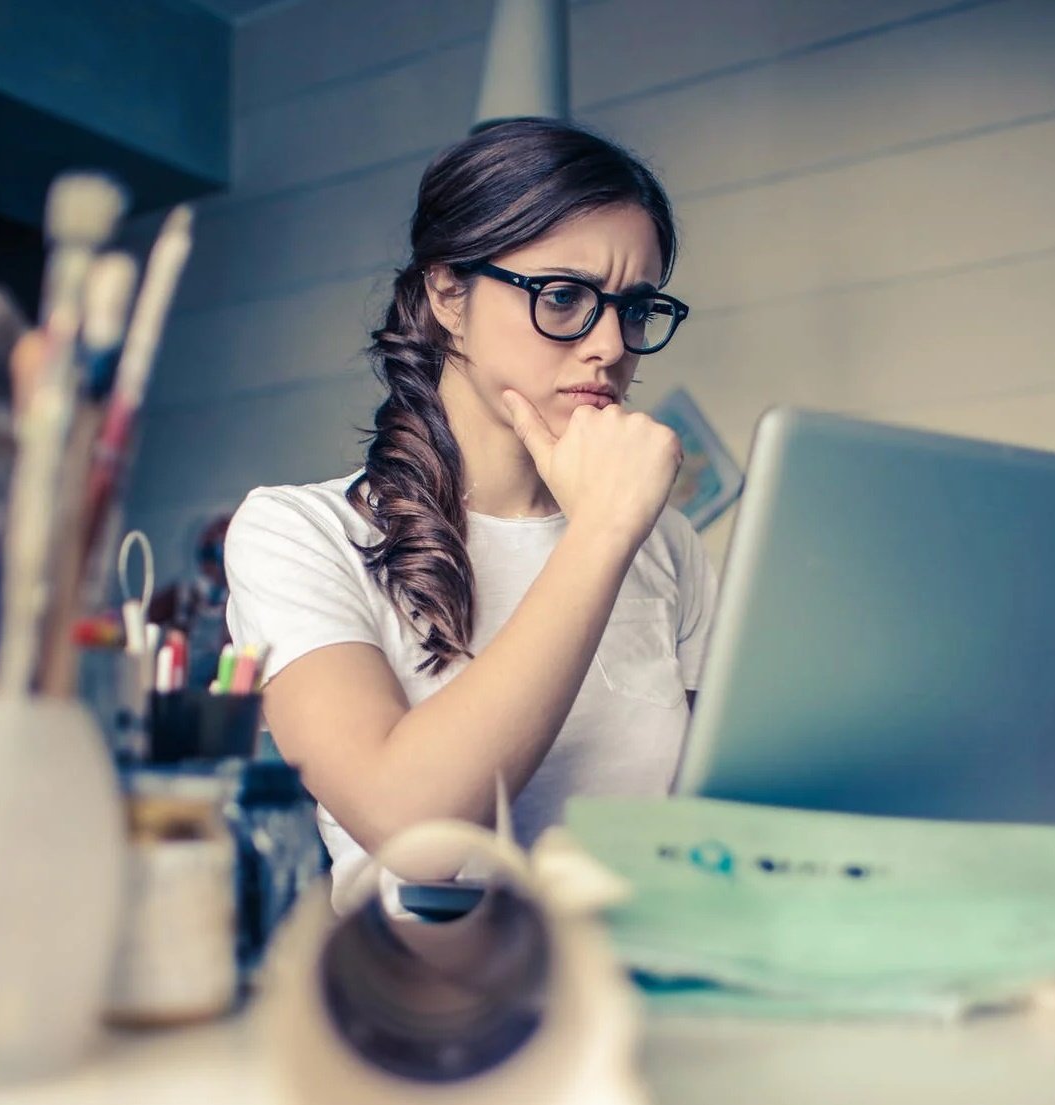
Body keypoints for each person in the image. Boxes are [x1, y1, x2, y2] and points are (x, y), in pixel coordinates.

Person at [224, 118, 715, 907]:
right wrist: (598, 534)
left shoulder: (667, 546)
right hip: (420, 1004)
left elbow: (715, 827)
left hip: (646, 998)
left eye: (633, 307)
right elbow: (415, 831)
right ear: (447, 294)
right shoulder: (298, 533)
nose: (608, 346)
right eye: (561, 297)